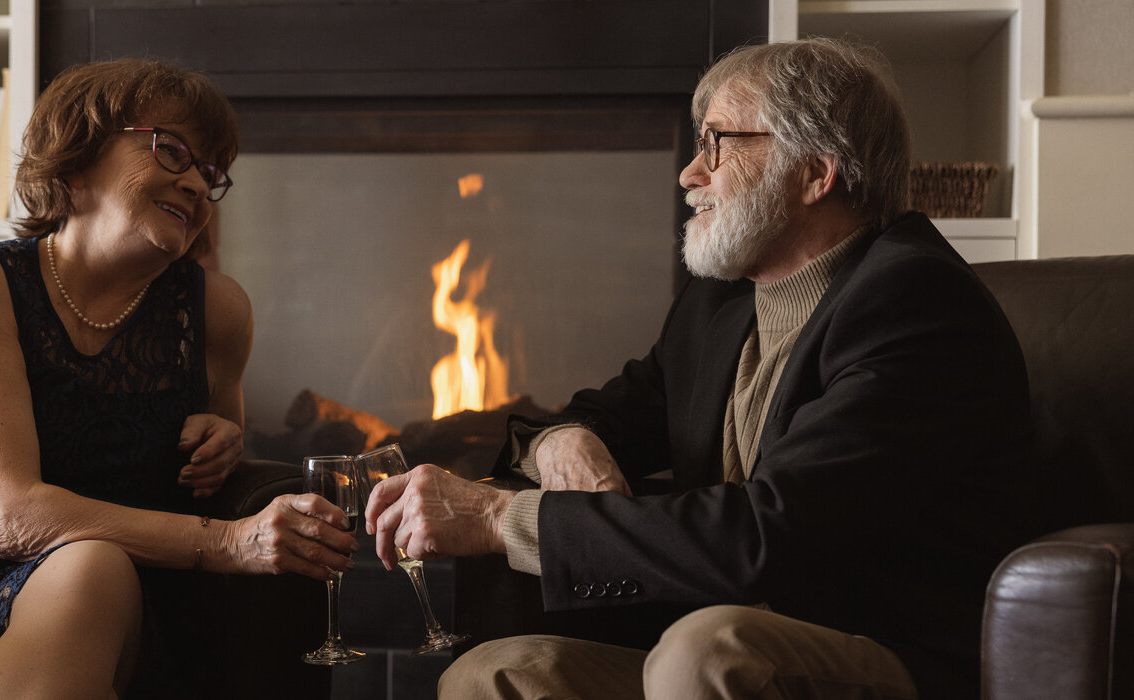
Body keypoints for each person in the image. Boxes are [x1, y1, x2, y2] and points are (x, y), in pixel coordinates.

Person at [365, 38, 1034, 700]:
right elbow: (602, 412)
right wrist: (562, 441)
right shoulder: (718, 306)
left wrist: (495, 518)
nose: (690, 173)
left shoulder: (915, 302)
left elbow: (768, 534)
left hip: (884, 653)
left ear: (815, 173)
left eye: (717, 142)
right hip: (711, 642)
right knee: (492, 674)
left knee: (703, 651)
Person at [0, 59, 358, 699]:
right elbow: (10, 517)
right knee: (92, 563)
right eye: (171, 150)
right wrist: (231, 542)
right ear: (75, 158)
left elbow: (211, 474)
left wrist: (223, 439)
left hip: (80, 608)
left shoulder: (216, 314)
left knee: (93, 568)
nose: (194, 182)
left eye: (209, 172)